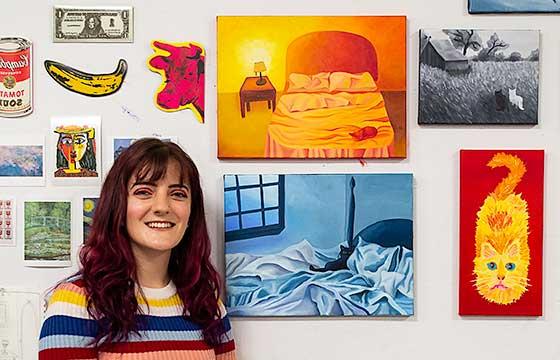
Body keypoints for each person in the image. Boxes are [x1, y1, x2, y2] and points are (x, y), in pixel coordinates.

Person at [38, 138, 236, 359]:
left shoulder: (208, 306)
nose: (162, 207)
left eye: (178, 194)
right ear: (118, 207)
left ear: (191, 214)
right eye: (144, 192)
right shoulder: (76, 302)